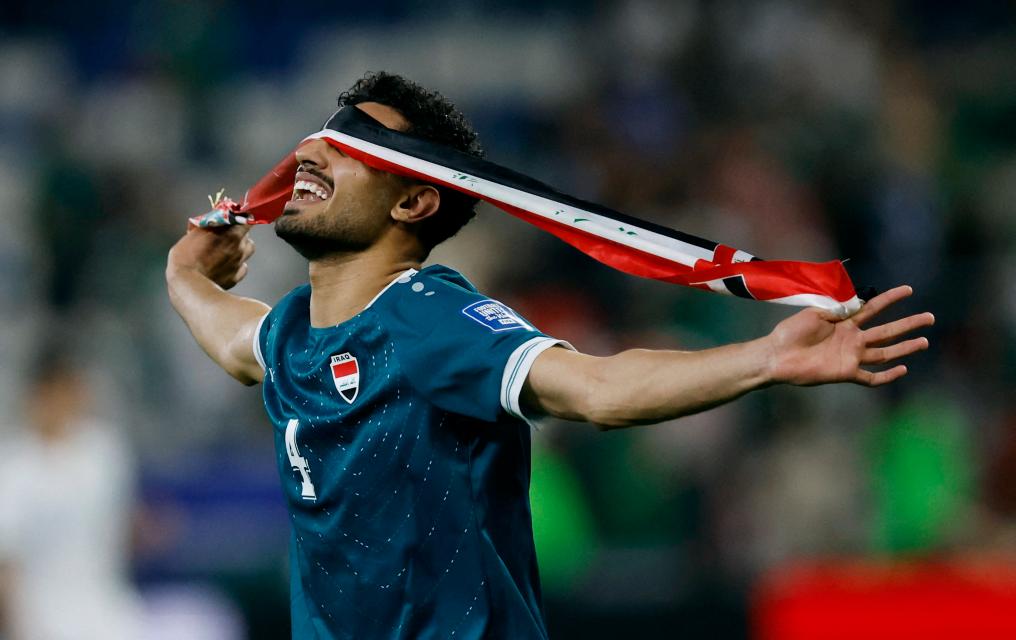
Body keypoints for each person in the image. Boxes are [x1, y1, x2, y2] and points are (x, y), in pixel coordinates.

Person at [166, 72, 933, 639]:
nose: (309, 152)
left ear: (413, 200)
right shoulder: (293, 332)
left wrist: (764, 358)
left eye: (350, 145)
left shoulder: (430, 317)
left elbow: (596, 388)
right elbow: (233, 340)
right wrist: (183, 272)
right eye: (318, 136)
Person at [0, 360, 142, 640]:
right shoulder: (13, 466)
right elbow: (7, 561)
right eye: (51, 395)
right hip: (41, 617)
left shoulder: (103, 451)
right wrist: (18, 627)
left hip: (108, 608)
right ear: (35, 398)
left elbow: (121, 530)